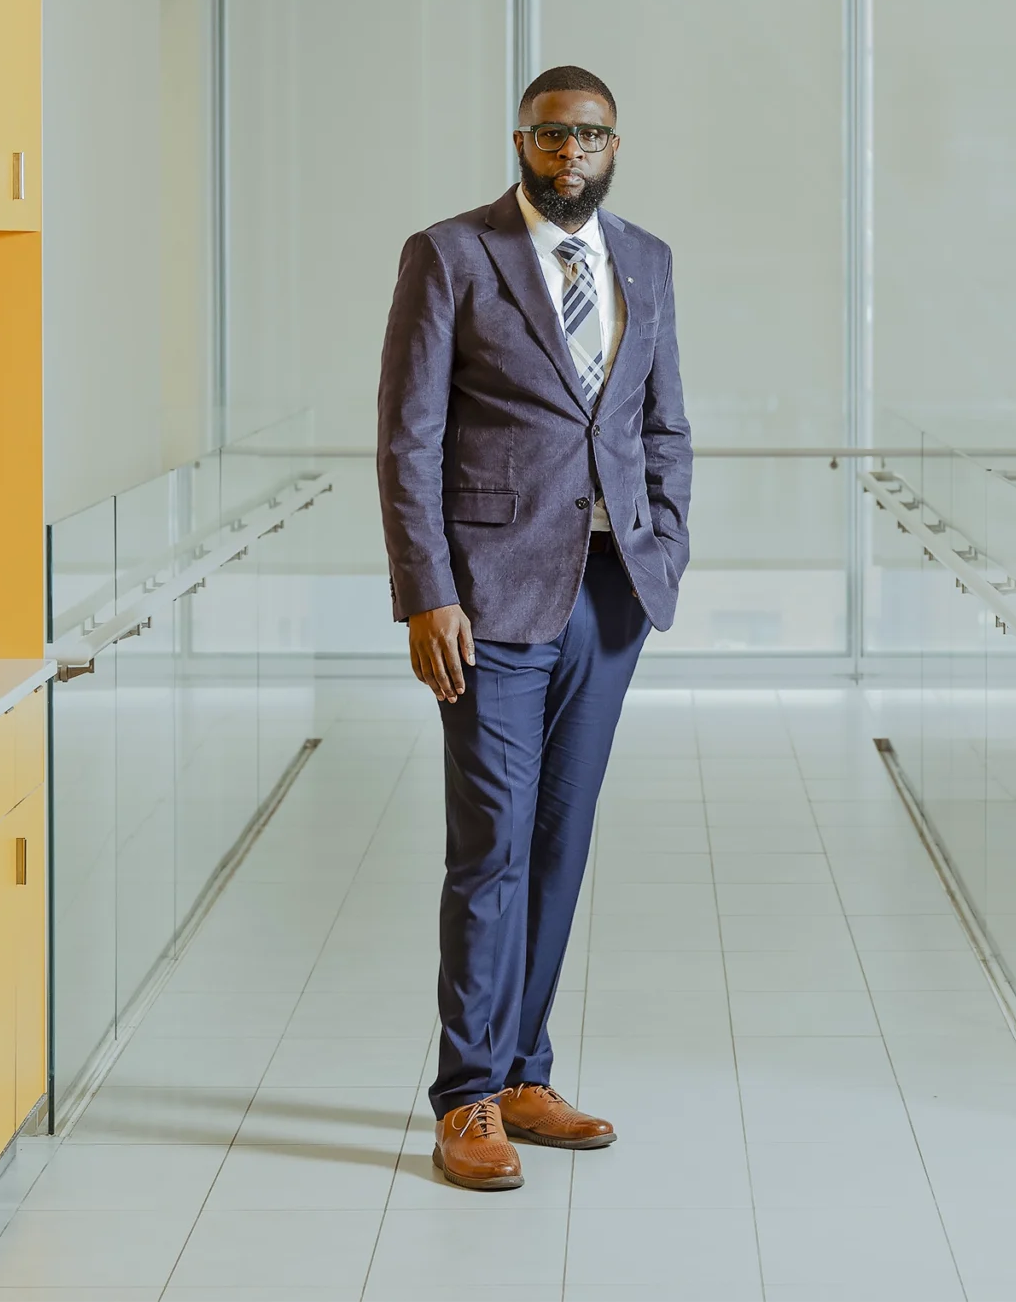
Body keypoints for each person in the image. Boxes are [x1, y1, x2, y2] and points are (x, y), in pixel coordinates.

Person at [376, 64, 694, 1190]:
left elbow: (665, 425)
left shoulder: (644, 261)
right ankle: (465, 1098)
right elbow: (408, 439)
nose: (572, 155)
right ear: (520, 139)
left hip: (610, 598)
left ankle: (521, 1071)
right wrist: (426, 590)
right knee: (492, 847)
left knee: (559, 842)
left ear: (616, 144)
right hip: (490, 599)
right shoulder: (451, 255)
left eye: (593, 136)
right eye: (553, 134)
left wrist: (666, 546)